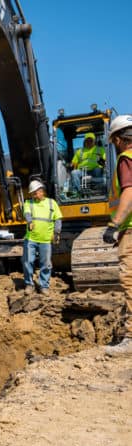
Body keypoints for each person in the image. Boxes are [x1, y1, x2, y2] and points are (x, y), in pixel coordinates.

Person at [102, 114, 132, 357]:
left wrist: (114, 224)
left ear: (119, 139)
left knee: (130, 280)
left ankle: (131, 338)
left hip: (130, 229)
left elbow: (129, 193)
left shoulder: (125, 159)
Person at [22, 180, 63, 295]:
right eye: (32, 193)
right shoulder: (28, 203)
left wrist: (57, 232)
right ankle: (29, 284)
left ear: (42, 191)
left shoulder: (51, 203)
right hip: (31, 239)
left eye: (35, 193)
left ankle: (44, 285)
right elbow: (27, 213)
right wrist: (29, 222)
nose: (34, 195)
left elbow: (58, 218)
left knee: (46, 264)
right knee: (27, 262)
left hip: (45, 240)